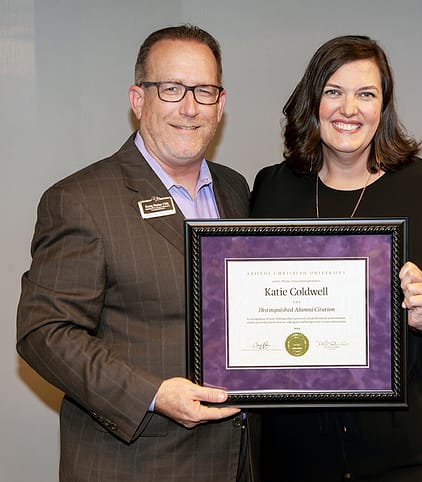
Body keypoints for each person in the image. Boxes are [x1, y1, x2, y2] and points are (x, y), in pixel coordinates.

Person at [250, 35, 422, 481]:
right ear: (312, 101)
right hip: (296, 443)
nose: (349, 109)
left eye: (365, 94)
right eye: (334, 92)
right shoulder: (271, 189)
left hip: (411, 442)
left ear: (383, 108)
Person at [16, 25, 254, 482]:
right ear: (138, 99)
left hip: (234, 462)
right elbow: (43, 332)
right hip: (135, 464)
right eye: (171, 89)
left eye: (203, 91)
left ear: (220, 105)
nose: (189, 107)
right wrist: (154, 394)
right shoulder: (82, 199)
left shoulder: (235, 189)